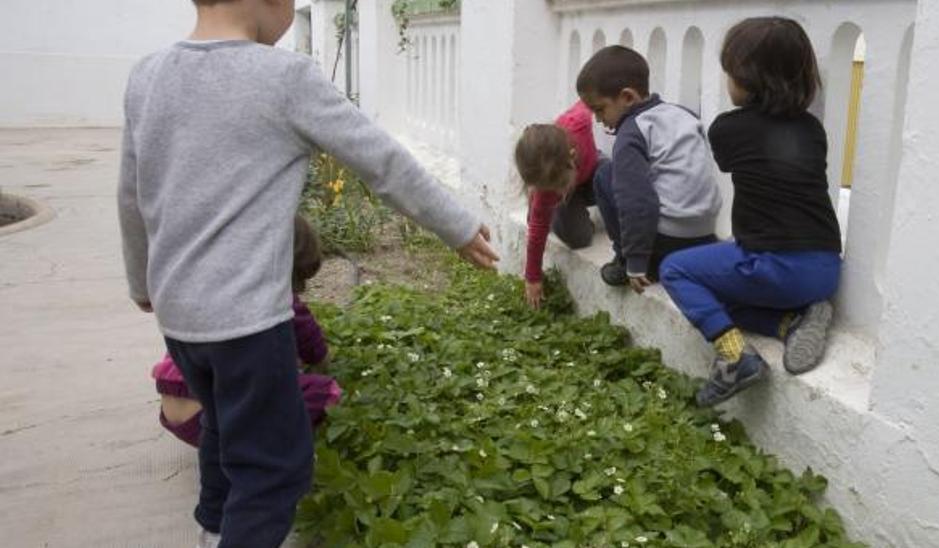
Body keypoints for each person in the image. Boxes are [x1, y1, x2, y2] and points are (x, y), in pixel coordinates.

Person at [116, 1, 498, 546]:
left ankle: (214, 527)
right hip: (246, 323)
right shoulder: (284, 77)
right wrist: (457, 226)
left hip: (179, 320)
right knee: (274, 468)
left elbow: (131, 194)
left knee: (224, 426)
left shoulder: (147, 75)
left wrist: (139, 279)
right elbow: (380, 159)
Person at [659, 17, 842, 407]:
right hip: (825, 268)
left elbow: (727, 162)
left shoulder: (727, 129)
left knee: (677, 271)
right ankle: (791, 322)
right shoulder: (812, 129)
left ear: (750, 79)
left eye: (731, 73)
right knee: (715, 296)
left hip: (774, 268)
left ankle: (734, 355)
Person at [151, 216, 339, 448]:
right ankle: (273, 449)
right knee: (324, 391)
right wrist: (321, 362)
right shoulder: (278, 298)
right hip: (214, 416)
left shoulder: (207, 286)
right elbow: (315, 349)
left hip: (175, 414)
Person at [575, 45, 722, 293]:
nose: (599, 120)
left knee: (604, 175)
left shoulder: (631, 132)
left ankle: (625, 257)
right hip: (704, 234)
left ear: (628, 97)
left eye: (600, 109)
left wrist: (636, 261)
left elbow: (637, 201)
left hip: (667, 241)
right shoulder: (684, 114)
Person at [514, 101, 603, 308]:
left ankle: (548, 206)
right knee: (579, 238)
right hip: (567, 193)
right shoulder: (549, 188)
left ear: (571, 158)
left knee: (611, 177)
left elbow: (590, 94)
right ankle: (546, 209)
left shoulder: (578, 122)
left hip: (591, 175)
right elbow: (536, 231)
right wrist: (533, 277)